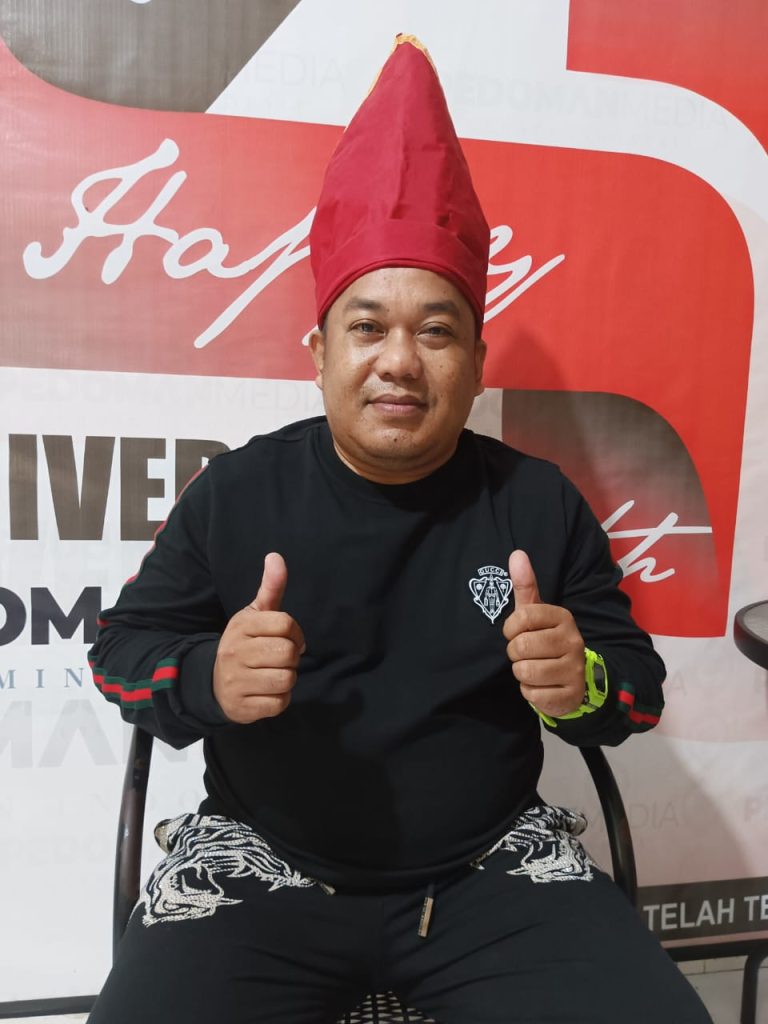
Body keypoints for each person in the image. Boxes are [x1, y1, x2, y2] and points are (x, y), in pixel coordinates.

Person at [87, 35, 711, 1024]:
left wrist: (581, 680)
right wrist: (208, 677)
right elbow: (120, 653)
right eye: (369, 326)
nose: (400, 361)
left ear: (477, 360)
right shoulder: (238, 492)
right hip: (263, 869)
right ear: (319, 350)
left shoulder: (538, 501)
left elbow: (633, 689)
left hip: (494, 872)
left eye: (437, 330)